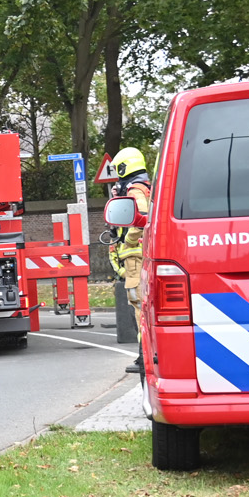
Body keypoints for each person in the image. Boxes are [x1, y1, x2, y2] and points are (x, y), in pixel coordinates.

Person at [108, 146, 153, 373]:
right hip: (138, 256)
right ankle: (144, 354)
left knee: (140, 308)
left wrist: (129, 240)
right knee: (141, 306)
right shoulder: (143, 186)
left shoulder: (135, 189)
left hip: (136, 257)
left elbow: (141, 218)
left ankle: (144, 357)